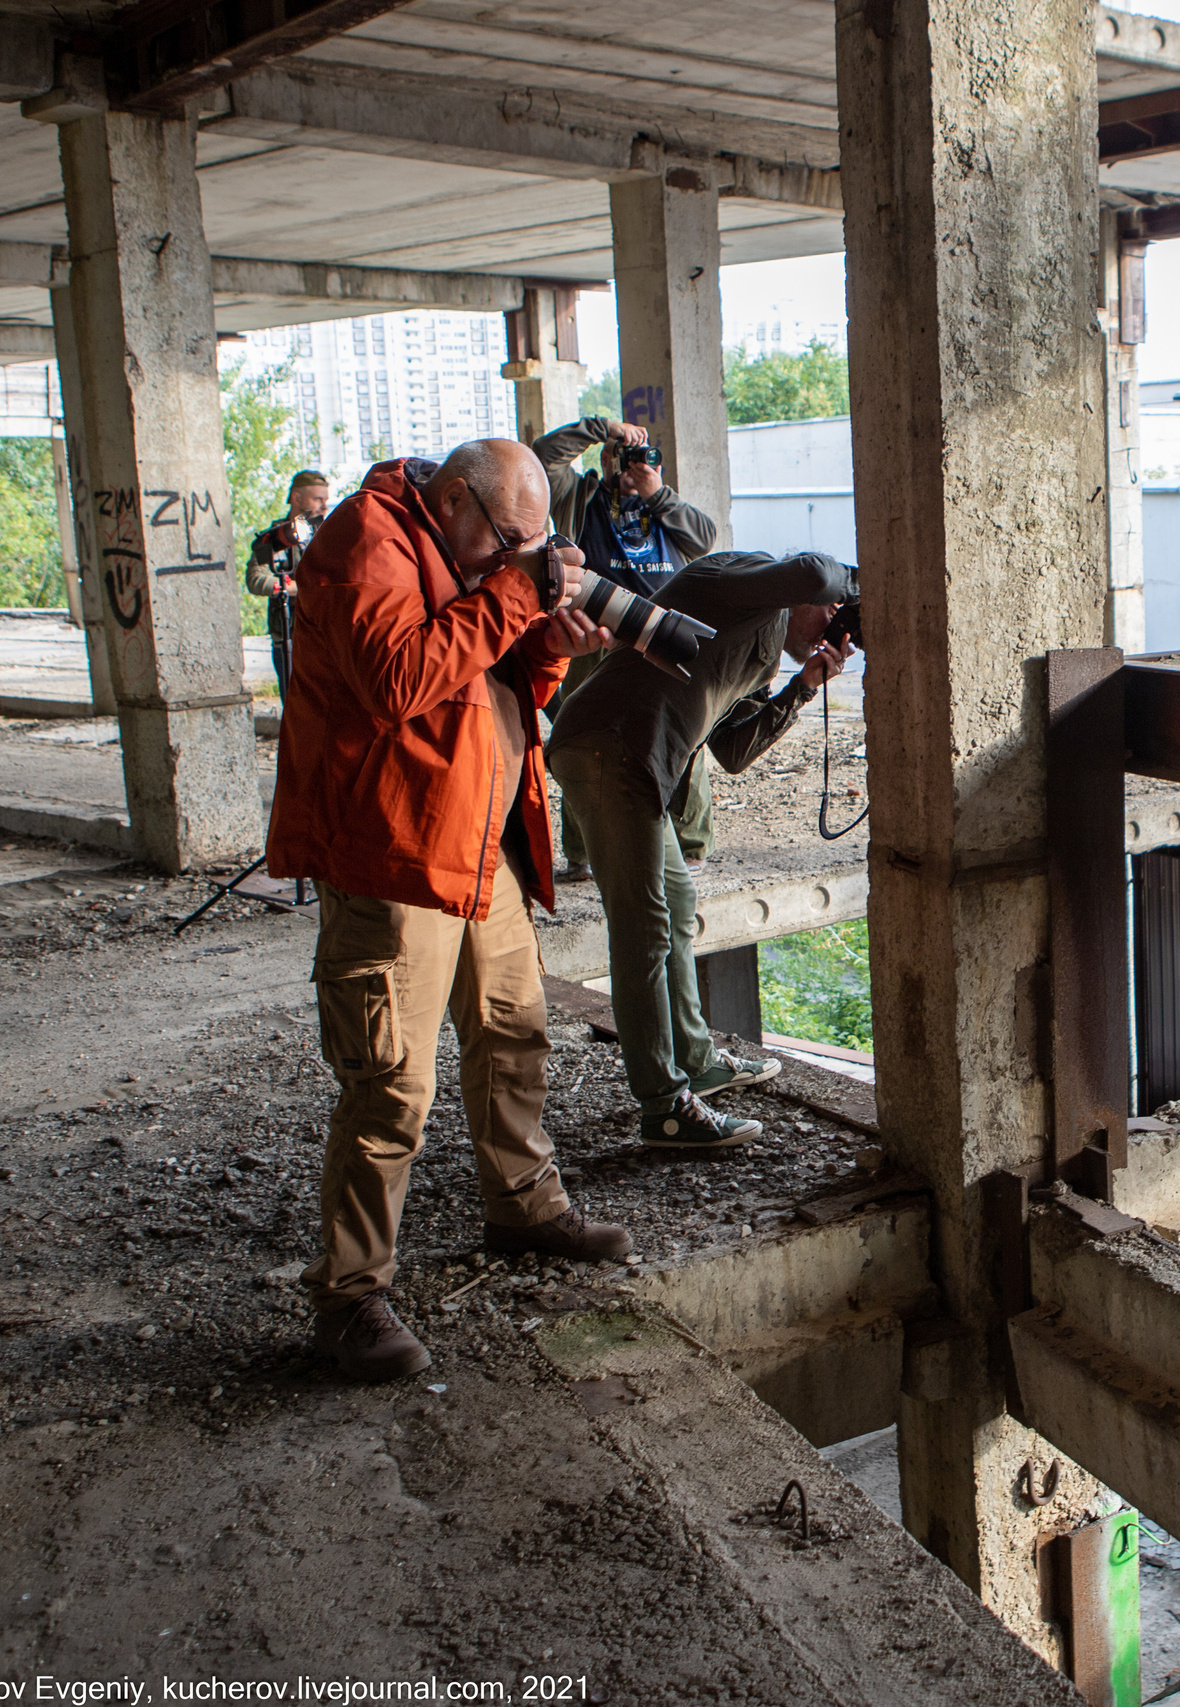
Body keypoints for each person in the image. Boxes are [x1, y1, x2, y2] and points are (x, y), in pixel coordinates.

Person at [268, 438, 633, 1383]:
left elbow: (489, 684)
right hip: (392, 850)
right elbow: (397, 680)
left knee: (514, 1027)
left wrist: (548, 642)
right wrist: (518, 593)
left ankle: (524, 1204)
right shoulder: (366, 537)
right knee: (391, 1079)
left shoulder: (473, 556)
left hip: (477, 841)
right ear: (455, 499)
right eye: (508, 540)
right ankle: (348, 1294)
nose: (516, 559)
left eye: (531, 545)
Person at [545, 547, 856, 1148]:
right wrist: (860, 585)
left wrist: (803, 686)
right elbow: (815, 573)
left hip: (642, 762)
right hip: (609, 744)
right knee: (643, 926)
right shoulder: (738, 581)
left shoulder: (767, 652)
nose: (834, 625)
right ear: (808, 597)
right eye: (832, 611)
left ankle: (696, 1060)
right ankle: (663, 1105)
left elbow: (734, 751)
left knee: (677, 905)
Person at [534, 417, 724, 880]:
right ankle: (582, 852)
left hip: (660, 630)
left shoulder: (665, 504)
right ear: (606, 457)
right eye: (623, 455)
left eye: (641, 457)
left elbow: (705, 538)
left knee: (682, 734)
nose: (632, 465)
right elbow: (544, 455)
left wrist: (656, 493)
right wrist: (601, 428)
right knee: (582, 735)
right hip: (591, 634)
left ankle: (691, 845)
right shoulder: (580, 497)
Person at [245, 470, 331, 696]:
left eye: (325, 500)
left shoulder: (326, 534)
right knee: (296, 704)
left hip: (325, 636)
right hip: (290, 637)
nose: (324, 506)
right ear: (296, 498)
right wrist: (295, 588)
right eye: (317, 499)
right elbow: (256, 579)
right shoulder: (277, 538)